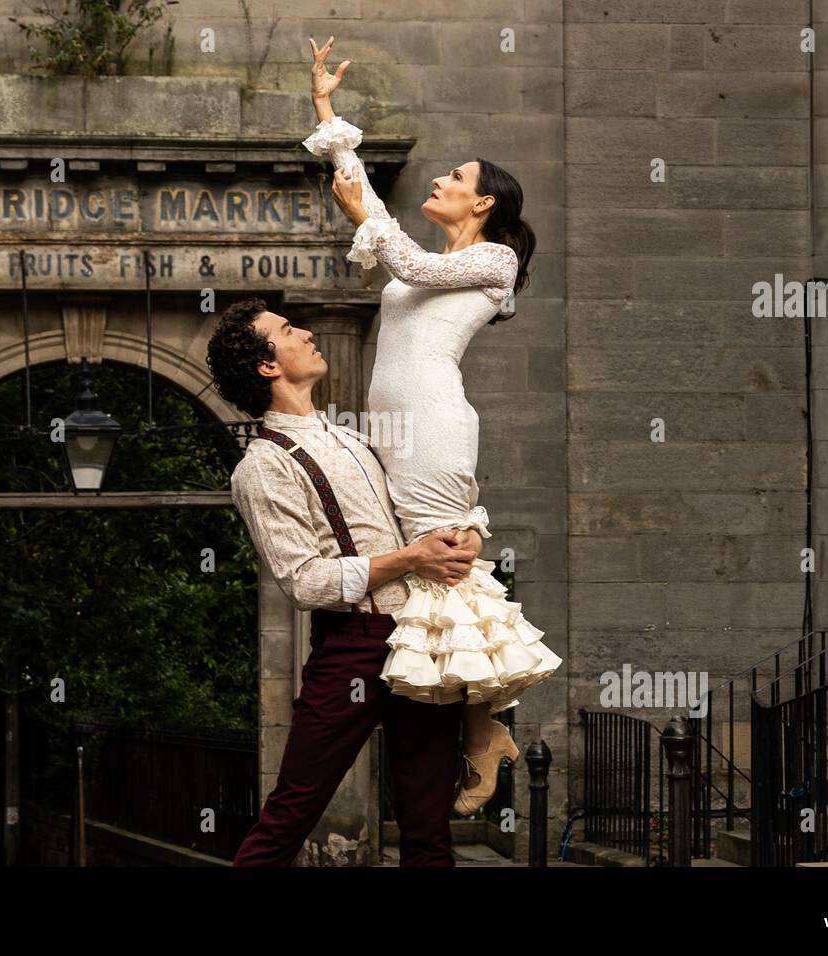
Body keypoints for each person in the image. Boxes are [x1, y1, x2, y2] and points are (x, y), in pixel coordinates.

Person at [303, 35, 563, 815]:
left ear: (483, 204)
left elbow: (406, 262)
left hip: (435, 427)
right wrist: (325, 108)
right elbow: (380, 224)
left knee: (442, 566)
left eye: (457, 177)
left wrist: (368, 222)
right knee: (432, 568)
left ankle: (483, 733)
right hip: (393, 432)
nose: (443, 180)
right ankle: (481, 728)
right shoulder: (425, 254)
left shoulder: (494, 265)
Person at [206, 297, 483, 866]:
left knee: (428, 828)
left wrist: (468, 530)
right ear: (267, 366)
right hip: (351, 648)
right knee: (291, 812)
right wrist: (410, 559)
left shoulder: (354, 438)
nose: (306, 333)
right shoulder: (262, 466)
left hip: (418, 637)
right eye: (287, 331)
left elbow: (423, 509)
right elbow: (306, 582)